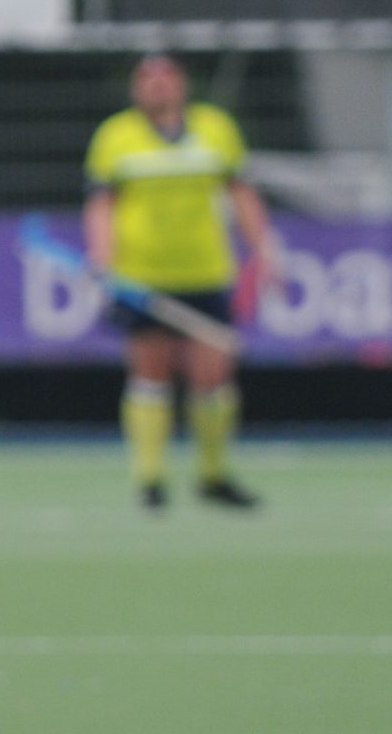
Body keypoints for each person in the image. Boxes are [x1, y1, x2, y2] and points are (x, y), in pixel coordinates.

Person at [82, 54, 275, 511]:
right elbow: (101, 204)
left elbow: (241, 193)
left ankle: (213, 475)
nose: (157, 86)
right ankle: (150, 480)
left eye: (166, 77)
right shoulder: (115, 136)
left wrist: (264, 249)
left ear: (183, 84)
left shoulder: (216, 128)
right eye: (147, 79)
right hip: (142, 277)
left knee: (214, 377)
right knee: (150, 374)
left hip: (206, 272)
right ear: (135, 88)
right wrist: (102, 258)